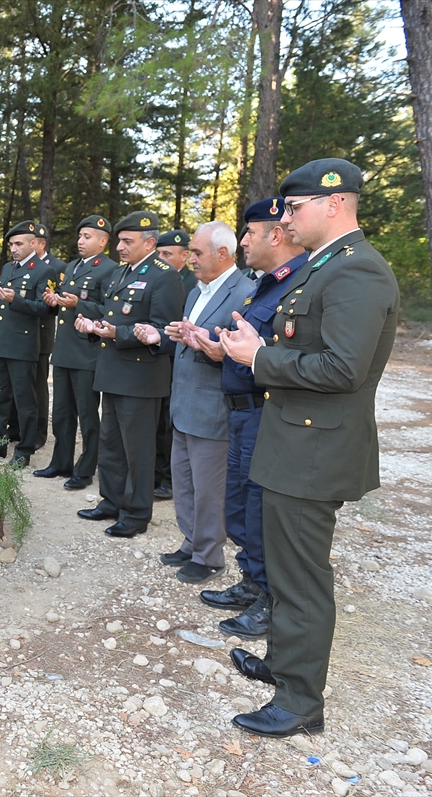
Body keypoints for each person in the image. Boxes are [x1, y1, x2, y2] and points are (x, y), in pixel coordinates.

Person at [220, 158, 399, 738]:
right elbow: (307, 343)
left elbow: (343, 368)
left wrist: (258, 358)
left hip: (314, 450)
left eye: (294, 208)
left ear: (334, 203)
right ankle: (284, 665)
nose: (286, 219)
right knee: (286, 568)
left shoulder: (356, 271)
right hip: (292, 441)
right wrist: (259, 343)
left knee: (301, 579)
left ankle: (300, 702)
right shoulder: (324, 268)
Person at [185, 197, 305, 639]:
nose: (243, 242)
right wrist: (220, 350)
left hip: (263, 412)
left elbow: (288, 357)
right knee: (239, 507)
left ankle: (269, 600)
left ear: (275, 234)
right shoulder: (267, 285)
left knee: (259, 510)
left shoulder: (300, 283)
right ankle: (252, 582)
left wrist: (246, 355)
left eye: (249, 233)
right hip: (239, 412)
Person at [137, 221, 254, 585]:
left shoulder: (244, 293)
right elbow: (191, 340)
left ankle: (209, 555)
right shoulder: (196, 291)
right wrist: (165, 336)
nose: (190, 259)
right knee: (184, 481)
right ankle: (191, 542)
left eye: (197, 253)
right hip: (185, 404)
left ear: (223, 253)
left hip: (214, 407)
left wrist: (208, 345)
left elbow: (241, 354)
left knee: (209, 487)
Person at [75, 211, 184, 537]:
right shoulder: (123, 272)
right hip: (113, 373)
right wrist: (95, 329)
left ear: (149, 242)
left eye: (127, 241)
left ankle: (136, 514)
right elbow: (115, 317)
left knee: (137, 449)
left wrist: (116, 335)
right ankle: (111, 501)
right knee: (111, 445)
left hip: (141, 378)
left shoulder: (164, 276)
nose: (120, 247)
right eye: (119, 241)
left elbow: (164, 333)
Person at [34, 215, 118, 489]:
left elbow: (109, 311)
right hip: (65, 350)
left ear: (103, 241)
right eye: (80, 236)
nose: (80, 241)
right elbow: (66, 303)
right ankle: (61, 461)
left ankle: (85, 469)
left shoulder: (109, 270)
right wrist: (54, 301)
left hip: (87, 353)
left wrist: (77, 305)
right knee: (61, 412)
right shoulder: (70, 267)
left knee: (87, 415)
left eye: (87, 237)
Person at [0, 222, 53, 468]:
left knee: (24, 401)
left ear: (33, 243)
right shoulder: (8, 269)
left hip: (23, 345)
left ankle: (23, 451)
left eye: (19, 243)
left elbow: (46, 309)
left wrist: (17, 299)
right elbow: (0, 305)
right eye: (11, 244)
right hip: (1, 342)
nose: (14, 249)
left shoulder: (44, 271)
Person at [152, 229, 193, 500]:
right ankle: (157, 472)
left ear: (185, 256)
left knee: (171, 422)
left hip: (182, 359)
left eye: (167, 254)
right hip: (159, 357)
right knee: (157, 421)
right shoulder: (157, 278)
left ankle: (169, 478)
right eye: (159, 254)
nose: (161, 259)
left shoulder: (192, 282)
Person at [29, 223, 63, 449]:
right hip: (21, 334)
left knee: (39, 383)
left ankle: (39, 431)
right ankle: (20, 427)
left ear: (42, 244)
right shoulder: (23, 265)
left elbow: (54, 304)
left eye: (33, 242)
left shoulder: (57, 267)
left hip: (41, 333)